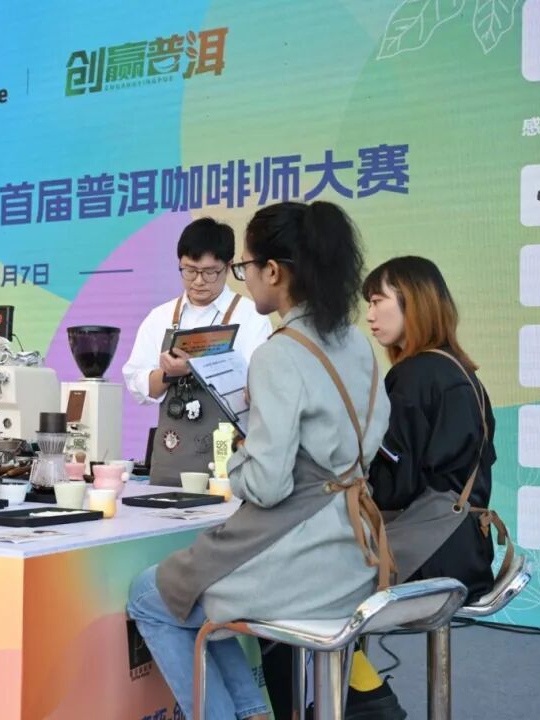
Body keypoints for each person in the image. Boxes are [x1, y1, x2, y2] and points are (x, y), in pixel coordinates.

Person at [127, 201, 391, 719]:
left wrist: (239, 460)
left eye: (243, 267)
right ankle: (253, 713)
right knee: (189, 593)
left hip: (299, 556)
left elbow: (267, 485)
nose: (242, 279)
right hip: (356, 553)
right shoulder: (357, 343)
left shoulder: (279, 352)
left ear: (273, 271)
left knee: (150, 596)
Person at [331, 256, 500, 719]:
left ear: (414, 302)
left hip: (431, 559)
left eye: (377, 301)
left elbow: (392, 489)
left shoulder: (413, 376)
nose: (369, 315)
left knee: (305, 582)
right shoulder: (460, 372)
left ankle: (366, 700)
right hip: (466, 551)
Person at [122, 218, 272, 484]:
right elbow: (139, 387)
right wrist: (169, 374)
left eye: (210, 272)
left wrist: (199, 368)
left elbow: (259, 388)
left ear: (228, 267)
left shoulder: (250, 316)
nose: (199, 281)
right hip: (171, 458)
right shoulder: (160, 317)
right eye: (189, 271)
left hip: (229, 459)